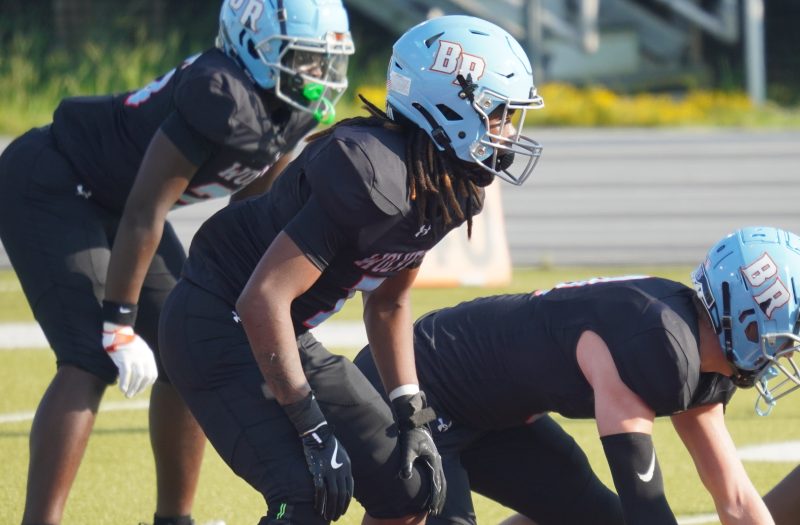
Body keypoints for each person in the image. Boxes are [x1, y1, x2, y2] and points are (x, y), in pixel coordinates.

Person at [158, 14, 545, 525]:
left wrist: (411, 412)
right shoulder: (369, 173)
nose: (506, 131)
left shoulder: (447, 186)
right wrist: (311, 426)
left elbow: (389, 302)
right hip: (213, 319)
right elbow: (262, 298)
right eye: (497, 113)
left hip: (281, 330)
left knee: (409, 489)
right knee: (305, 492)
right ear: (448, 104)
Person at [0, 1, 354, 524]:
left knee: (185, 346)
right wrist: (119, 323)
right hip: (53, 180)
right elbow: (146, 209)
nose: (316, 74)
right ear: (251, 46)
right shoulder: (219, 92)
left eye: (324, 60)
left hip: (121, 199)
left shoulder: (293, 106)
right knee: (90, 356)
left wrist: (243, 291)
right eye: (302, 58)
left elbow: (248, 211)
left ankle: (174, 519)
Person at [353, 226, 800, 525]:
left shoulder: (703, 358)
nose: (786, 351)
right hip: (418, 390)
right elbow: (645, 504)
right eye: (785, 337)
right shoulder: (656, 343)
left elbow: (735, 499)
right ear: (748, 317)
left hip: (494, 416)